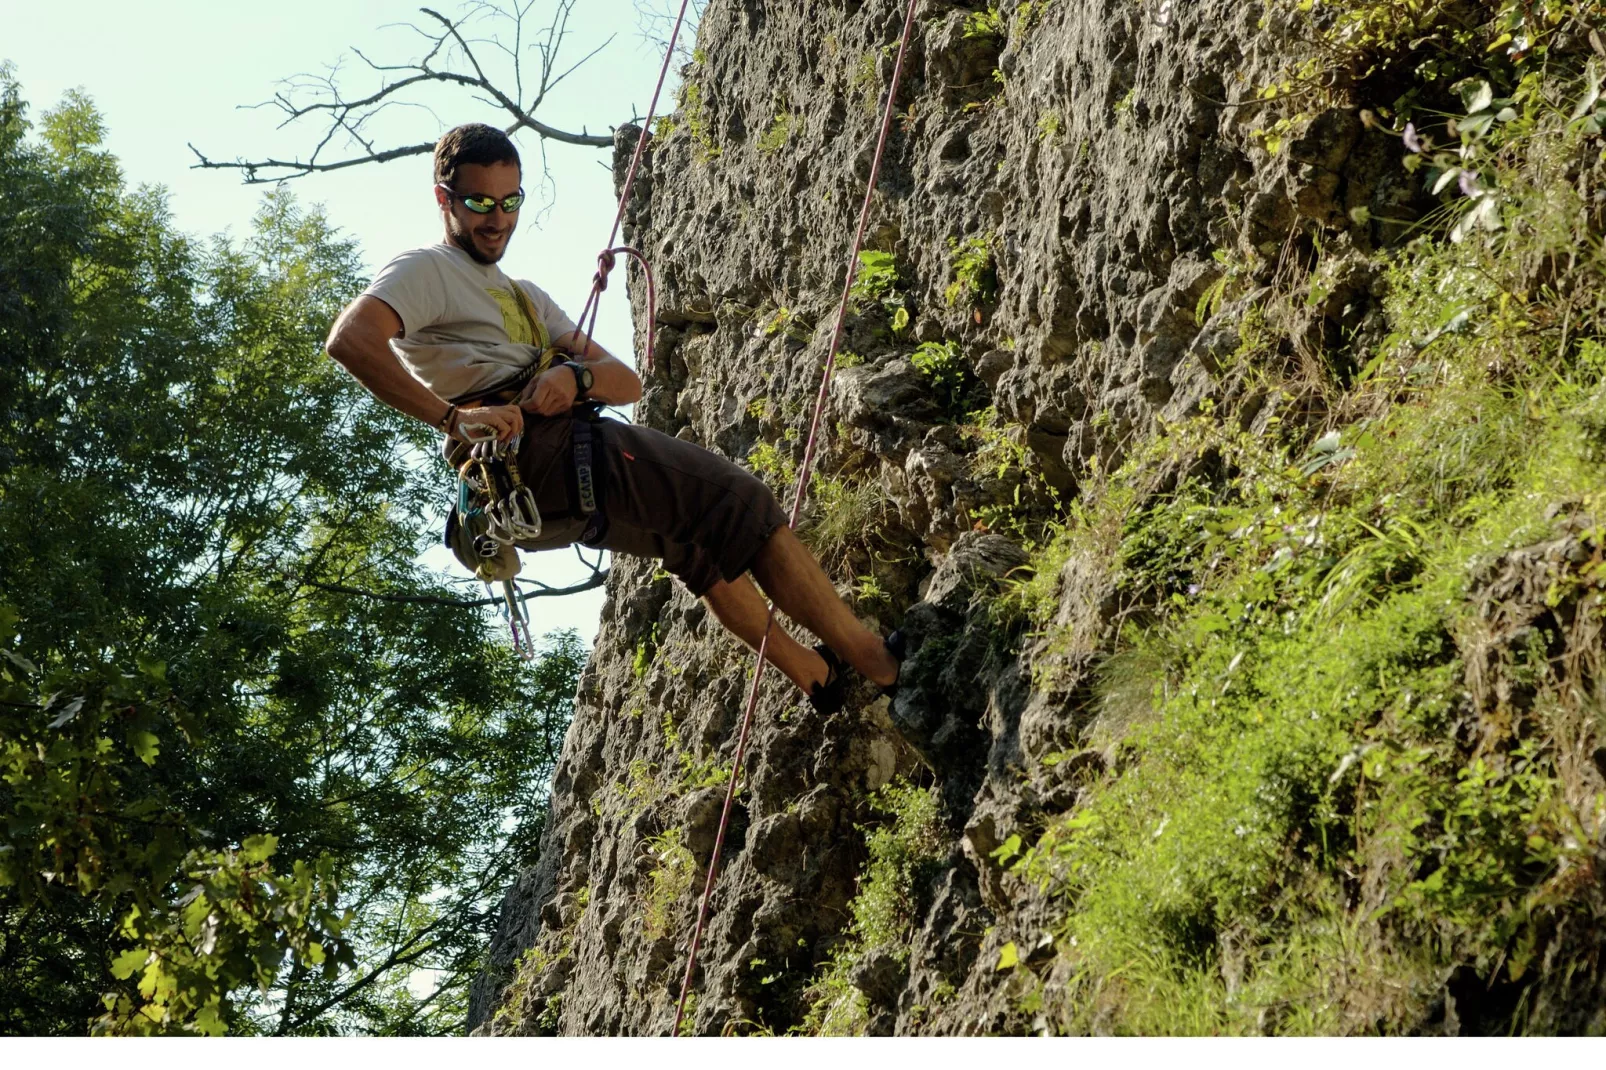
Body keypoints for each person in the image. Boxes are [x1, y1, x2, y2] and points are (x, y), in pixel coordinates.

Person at [324, 123, 900, 712]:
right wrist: (453, 417)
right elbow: (351, 339)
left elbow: (626, 382)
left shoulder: (525, 297)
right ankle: (873, 657)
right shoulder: (426, 270)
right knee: (740, 503)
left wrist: (573, 377)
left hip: (540, 490)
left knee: (693, 546)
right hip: (540, 456)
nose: (496, 219)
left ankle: (812, 674)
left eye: (509, 202)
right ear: (443, 198)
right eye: (478, 203)